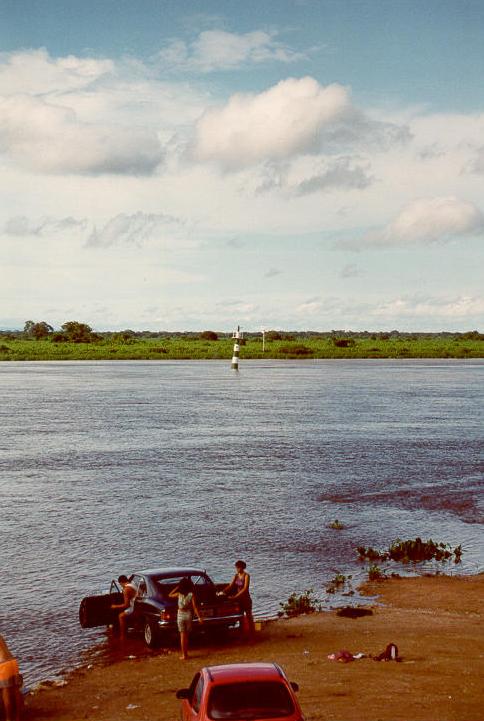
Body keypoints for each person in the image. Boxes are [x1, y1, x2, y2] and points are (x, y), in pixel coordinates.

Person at [169, 577, 203, 660]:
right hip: (188, 614)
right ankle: (186, 653)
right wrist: (199, 617)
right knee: (186, 636)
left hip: (180, 614)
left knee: (182, 636)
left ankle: (184, 655)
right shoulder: (191, 595)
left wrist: (177, 587)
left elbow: (169, 595)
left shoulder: (178, 594)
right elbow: (195, 607)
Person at [222, 560, 255, 640]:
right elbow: (231, 585)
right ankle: (242, 634)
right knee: (240, 617)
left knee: (249, 616)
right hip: (239, 600)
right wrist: (222, 591)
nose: (237, 569)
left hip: (245, 599)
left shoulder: (246, 575)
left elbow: (245, 588)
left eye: (238, 567)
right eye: (236, 567)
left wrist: (235, 597)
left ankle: (252, 635)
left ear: (242, 567)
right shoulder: (236, 576)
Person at [0, 634, 22, 721]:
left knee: (6, 693)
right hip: (12, 662)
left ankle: (8, 719)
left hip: (3, 663)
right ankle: (18, 717)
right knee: (16, 691)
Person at [110, 575, 137, 640]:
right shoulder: (133, 584)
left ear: (121, 582)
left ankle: (123, 636)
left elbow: (126, 605)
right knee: (123, 611)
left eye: (120, 584)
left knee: (121, 616)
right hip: (138, 603)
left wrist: (115, 606)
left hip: (135, 607)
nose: (121, 585)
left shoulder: (126, 590)